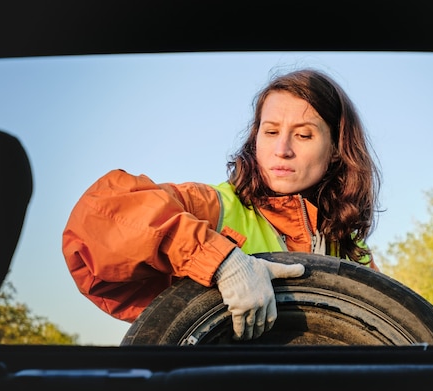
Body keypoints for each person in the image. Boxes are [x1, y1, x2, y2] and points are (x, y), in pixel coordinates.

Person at [62, 68, 382, 341]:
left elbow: (396, 333)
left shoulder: (351, 250)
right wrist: (221, 261)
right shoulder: (213, 208)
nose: (281, 149)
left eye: (303, 135)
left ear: (337, 148)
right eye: (270, 132)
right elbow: (98, 215)